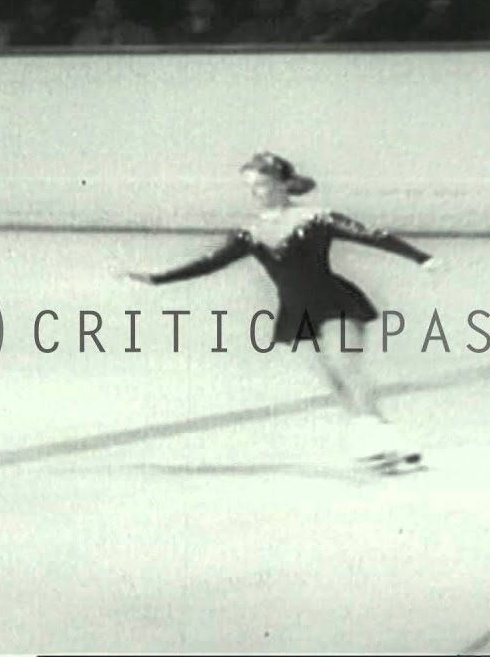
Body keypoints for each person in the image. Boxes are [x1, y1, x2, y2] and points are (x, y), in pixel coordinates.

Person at [126, 152, 438, 472]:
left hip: (335, 302)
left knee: (345, 366)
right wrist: (158, 279)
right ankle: (386, 441)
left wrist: (421, 257)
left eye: (262, 183)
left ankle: (373, 437)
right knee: (334, 378)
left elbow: (373, 236)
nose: (256, 191)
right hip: (295, 312)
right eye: (251, 186)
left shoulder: (319, 218)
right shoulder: (250, 232)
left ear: (284, 183)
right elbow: (211, 262)